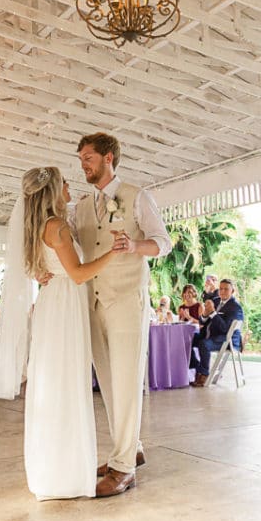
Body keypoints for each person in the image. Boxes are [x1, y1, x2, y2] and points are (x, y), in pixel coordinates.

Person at [0, 166, 123, 500]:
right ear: (54, 190)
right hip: (66, 304)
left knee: (54, 384)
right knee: (67, 383)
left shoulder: (40, 226)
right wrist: (114, 252)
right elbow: (79, 274)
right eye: (65, 183)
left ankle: (55, 468)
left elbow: (38, 267)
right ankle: (67, 473)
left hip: (52, 304)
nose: (70, 185)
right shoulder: (57, 227)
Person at [74, 132, 172, 497]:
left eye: (88, 157)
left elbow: (163, 241)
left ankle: (123, 467)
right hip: (93, 300)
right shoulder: (82, 206)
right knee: (110, 382)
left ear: (108, 157)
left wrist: (134, 245)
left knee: (127, 381)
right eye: (81, 158)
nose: (83, 163)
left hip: (127, 299)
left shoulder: (136, 196)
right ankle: (132, 447)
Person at [190, 278, 245, 388]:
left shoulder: (236, 308)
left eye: (226, 289)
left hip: (227, 339)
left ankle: (204, 375)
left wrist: (213, 313)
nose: (223, 291)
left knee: (204, 344)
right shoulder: (215, 301)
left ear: (232, 291)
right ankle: (198, 367)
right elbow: (202, 321)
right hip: (211, 335)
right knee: (187, 340)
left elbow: (225, 329)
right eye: (221, 289)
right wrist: (205, 314)